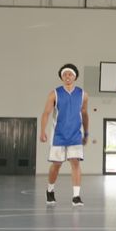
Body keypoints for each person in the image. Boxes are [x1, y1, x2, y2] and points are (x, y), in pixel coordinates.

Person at [39, 63, 89, 207]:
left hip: (75, 135)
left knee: (75, 163)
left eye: (70, 74)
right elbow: (46, 113)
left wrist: (86, 133)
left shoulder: (83, 94)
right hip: (59, 135)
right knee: (57, 165)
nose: (67, 76)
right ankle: (50, 190)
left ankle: (76, 196)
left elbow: (85, 115)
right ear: (61, 77)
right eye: (65, 74)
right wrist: (42, 131)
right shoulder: (54, 93)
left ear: (75, 77)